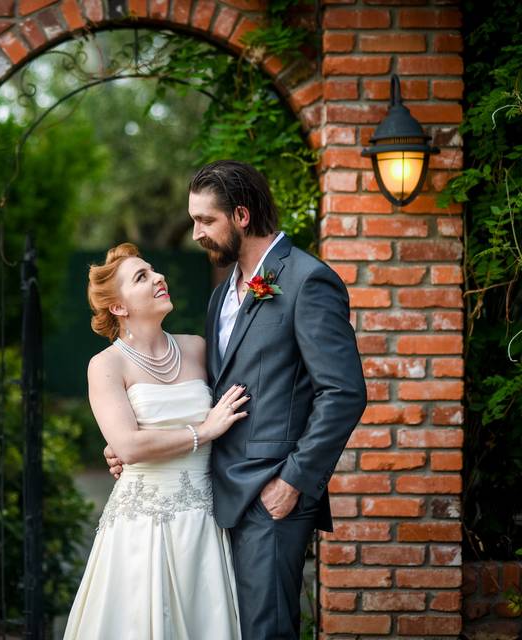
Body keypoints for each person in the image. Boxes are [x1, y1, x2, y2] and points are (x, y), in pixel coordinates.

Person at [104, 160, 367, 639]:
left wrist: (294, 480)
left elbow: (344, 392)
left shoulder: (308, 280)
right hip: (210, 497)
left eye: (206, 220)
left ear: (241, 216)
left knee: (266, 630)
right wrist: (133, 442)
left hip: (271, 495)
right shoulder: (220, 296)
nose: (197, 233)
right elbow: (204, 394)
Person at [63, 242, 248, 639]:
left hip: (203, 520)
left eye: (153, 270)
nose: (158, 277)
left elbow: (237, 415)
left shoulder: (197, 349)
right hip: (141, 524)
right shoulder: (106, 365)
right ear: (118, 307)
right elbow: (128, 446)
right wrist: (203, 431)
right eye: (141, 277)